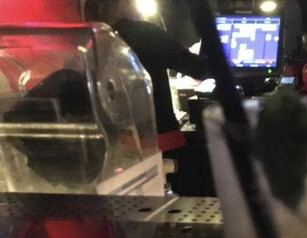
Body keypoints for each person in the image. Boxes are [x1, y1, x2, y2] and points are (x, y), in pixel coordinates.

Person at [83, 0, 214, 196]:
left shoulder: (93, 39)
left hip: (120, 152)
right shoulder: (145, 33)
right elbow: (200, 69)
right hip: (163, 145)